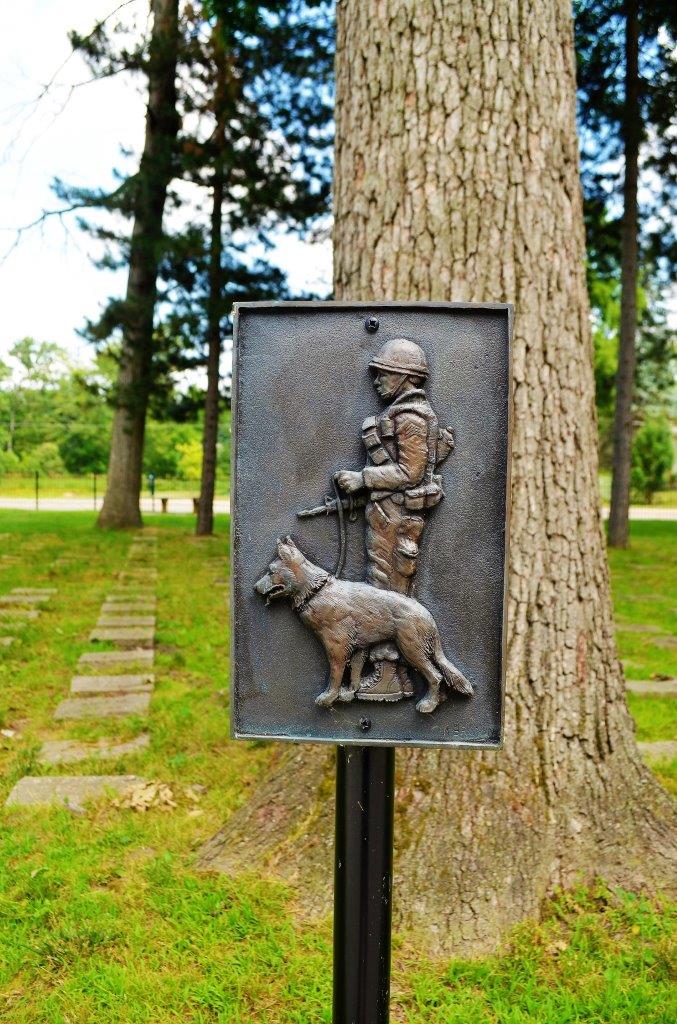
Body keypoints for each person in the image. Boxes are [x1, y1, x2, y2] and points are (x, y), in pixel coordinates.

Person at [336, 337, 453, 700]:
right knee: (385, 588)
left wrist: (363, 479)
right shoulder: (406, 415)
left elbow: (411, 472)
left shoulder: (411, 417)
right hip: (390, 516)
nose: (376, 381)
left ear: (402, 376)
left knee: (389, 592)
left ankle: (390, 676)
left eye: (383, 373)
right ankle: (391, 674)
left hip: (398, 520)